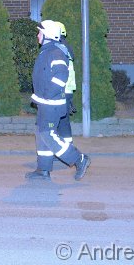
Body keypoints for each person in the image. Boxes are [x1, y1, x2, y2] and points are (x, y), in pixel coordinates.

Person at [26, 20, 90, 181]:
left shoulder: (55, 52)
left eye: (40, 32)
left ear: (48, 35)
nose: (37, 35)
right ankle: (43, 169)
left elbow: (61, 77)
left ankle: (79, 159)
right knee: (41, 134)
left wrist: (47, 95)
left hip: (51, 104)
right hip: (45, 103)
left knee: (47, 134)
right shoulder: (47, 51)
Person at [52, 21, 76, 146]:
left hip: (61, 89)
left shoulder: (58, 48)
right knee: (63, 120)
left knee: (58, 121)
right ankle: (67, 147)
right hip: (67, 90)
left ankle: (65, 150)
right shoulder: (65, 47)